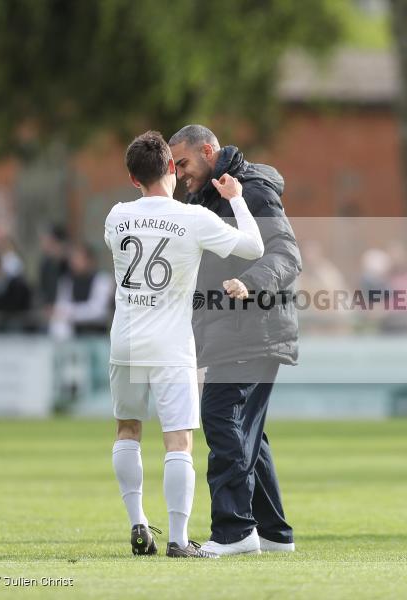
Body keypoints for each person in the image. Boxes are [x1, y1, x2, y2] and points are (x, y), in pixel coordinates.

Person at [105, 131, 264, 559]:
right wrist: (236, 199)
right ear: (172, 168)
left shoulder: (117, 216)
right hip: (171, 343)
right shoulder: (191, 219)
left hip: (126, 340)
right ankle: (177, 538)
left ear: (133, 178)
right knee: (179, 441)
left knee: (127, 430)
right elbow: (254, 246)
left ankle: (138, 522)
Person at [170, 124, 300, 556]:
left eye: (184, 163)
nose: (179, 173)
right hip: (233, 331)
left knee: (222, 417)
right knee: (248, 434)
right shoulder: (202, 198)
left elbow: (286, 254)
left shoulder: (253, 191)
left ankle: (234, 531)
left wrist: (250, 282)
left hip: (255, 328)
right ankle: (274, 534)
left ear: (209, 151)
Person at [48, 243, 113, 339]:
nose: (74, 262)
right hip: (74, 337)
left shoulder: (102, 280)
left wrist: (70, 312)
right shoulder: (67, 282)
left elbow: (98, 311)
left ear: (90, 261)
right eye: (73, 259)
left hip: (97, 337)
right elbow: (60, 309)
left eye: (78, 258)